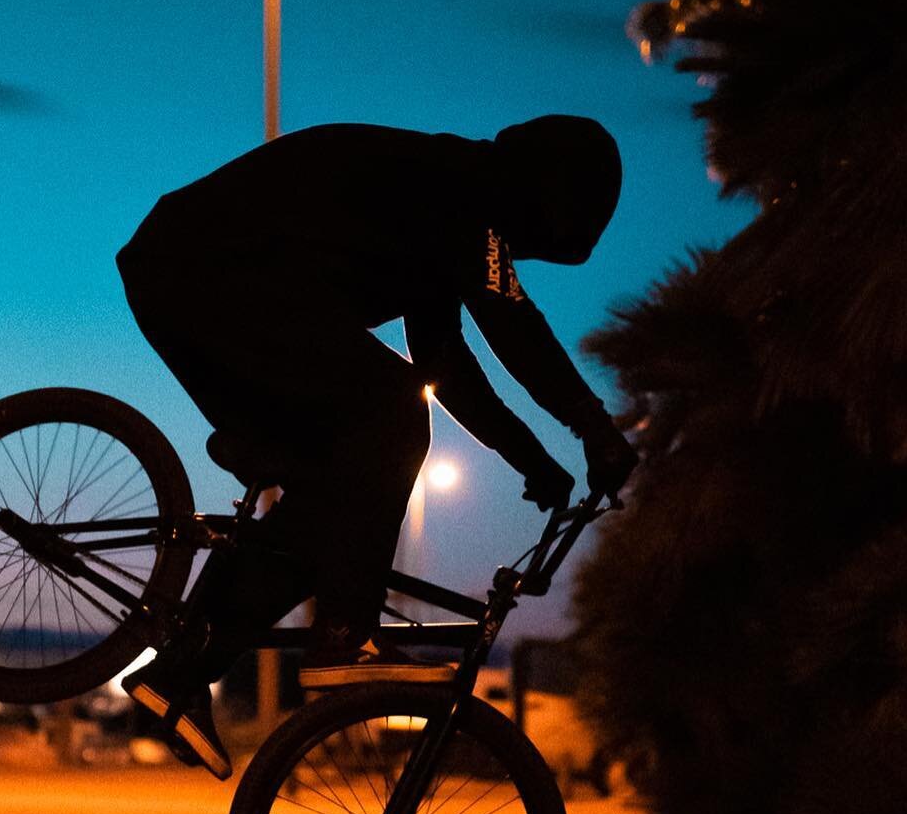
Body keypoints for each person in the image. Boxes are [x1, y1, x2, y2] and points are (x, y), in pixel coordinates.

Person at [115, 115, 637, 778]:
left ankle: (185, 668)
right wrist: (594, 428)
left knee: (337, 498)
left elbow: (445, 364)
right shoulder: (464, 188)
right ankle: (343, 637)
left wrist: (533, 462)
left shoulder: (439, 213)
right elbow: (514, 325)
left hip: (193, 277)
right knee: (392, 413)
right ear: (547, 189)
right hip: (213, 269)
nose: (518, 255)